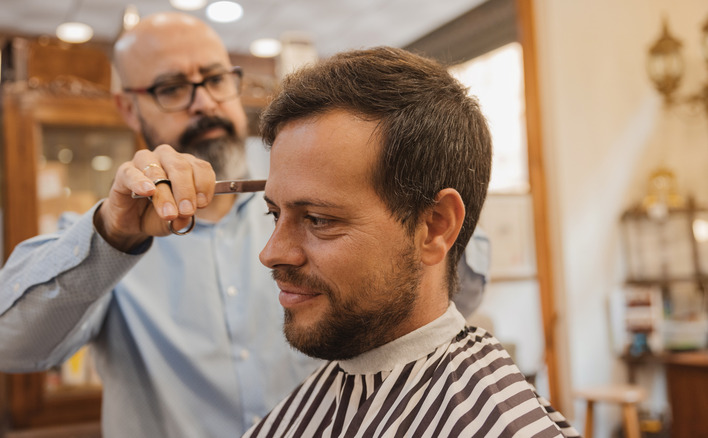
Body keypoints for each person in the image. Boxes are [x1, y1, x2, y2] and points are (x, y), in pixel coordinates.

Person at [0, 13, 490, 438]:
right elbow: (2, 345)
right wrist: (113, 233)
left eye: (216, 79)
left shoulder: (317, 191)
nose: (205, 102)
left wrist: (384, 200)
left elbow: (447, 295)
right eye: (173, 88)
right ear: (128, 107)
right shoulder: (105, 238)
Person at [243, 47, 578, 437]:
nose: (271, 253)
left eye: (318, 220)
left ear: (435, 226)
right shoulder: (320, 394)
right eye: (274, 214)